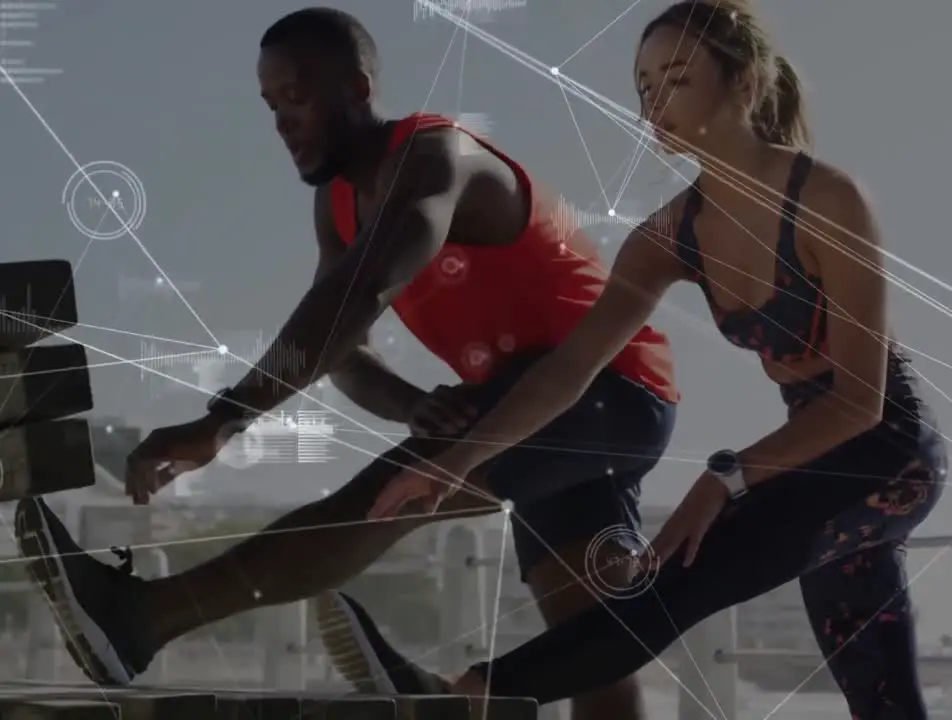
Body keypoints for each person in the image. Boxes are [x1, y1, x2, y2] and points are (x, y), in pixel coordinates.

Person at [14, 8, 678, 719]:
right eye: (270, 105)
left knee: (382, 497)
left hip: (603, 390)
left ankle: (140, 619)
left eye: (295, 98)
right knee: (591, 645)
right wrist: (409, 405)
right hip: (545, 408)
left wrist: (225, 420)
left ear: (357, 88)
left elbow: (352, 300)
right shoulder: (338, 206)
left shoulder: (436, 160)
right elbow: (347, 355)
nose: (281, 123)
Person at [311, 1, 947, 718]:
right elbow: (570, 370)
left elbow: (860, 401)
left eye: (677, 78)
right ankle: (462, 696)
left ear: (743, 85)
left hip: (885, 454)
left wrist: (724, 481)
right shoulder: (667, 237)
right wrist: (454, 463)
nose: (655, 102)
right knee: (884, 701)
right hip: (806, 464)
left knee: (678, 578)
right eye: (644, 85)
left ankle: (461, 698)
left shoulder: (827, 197)